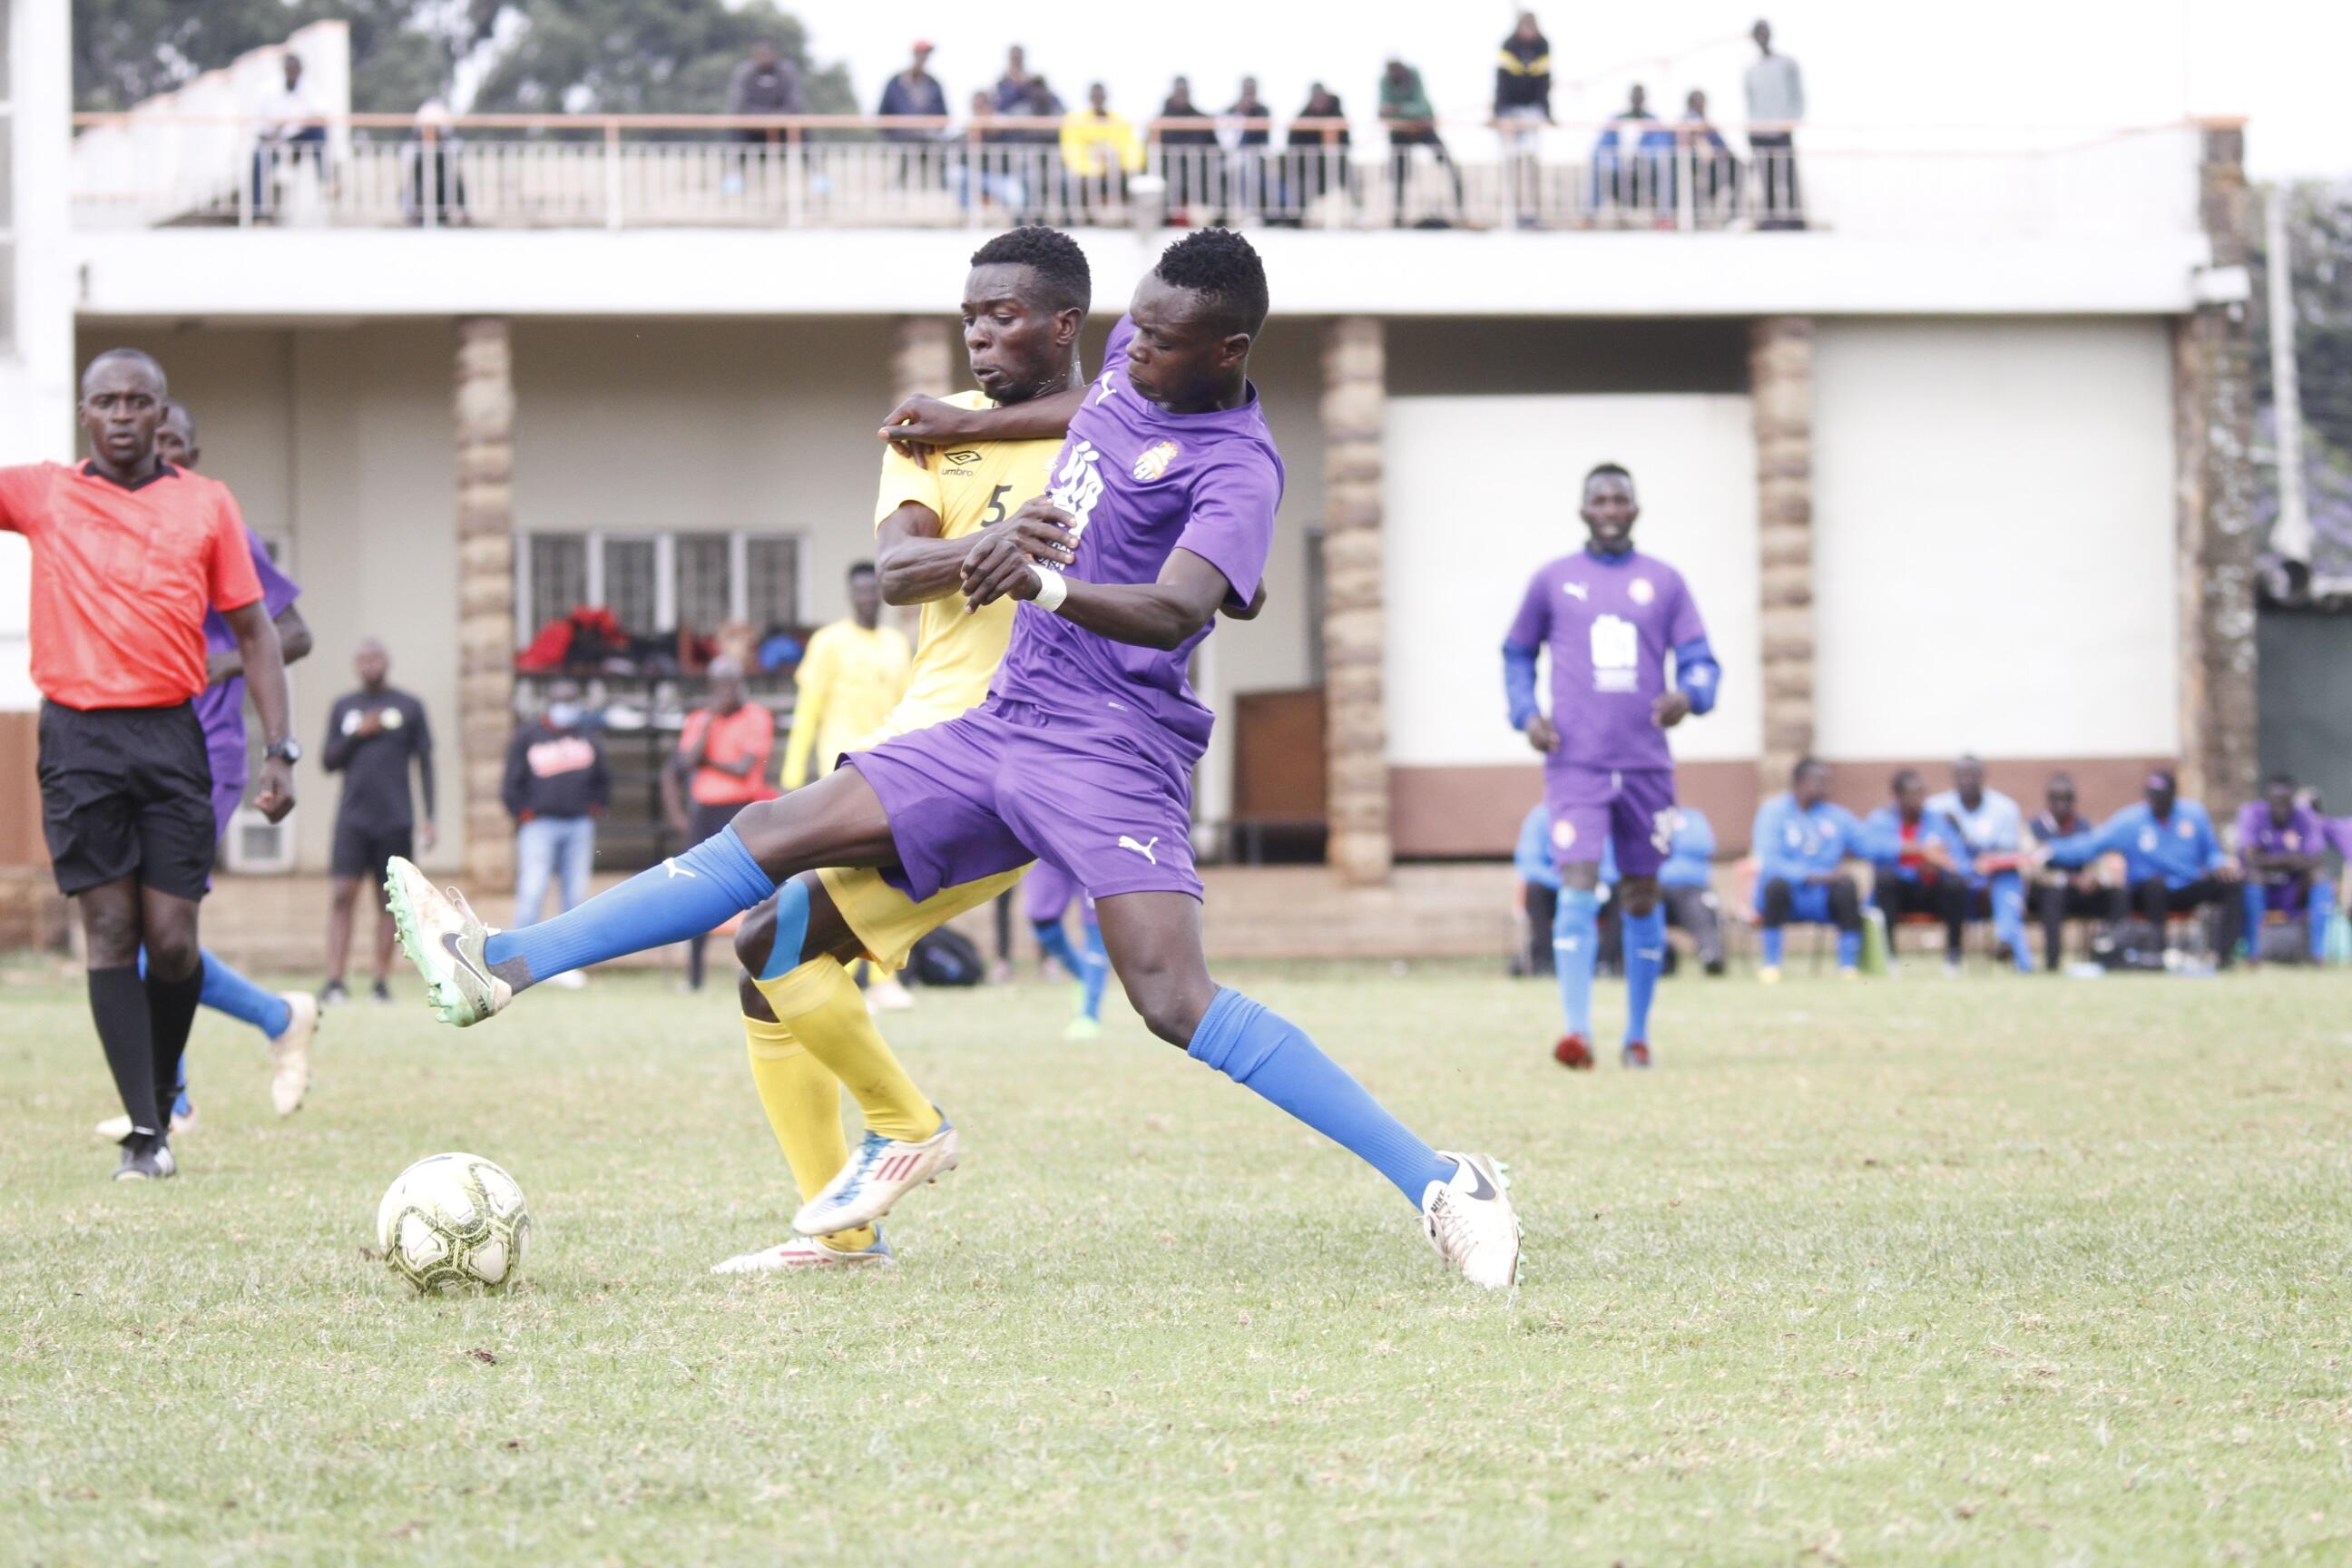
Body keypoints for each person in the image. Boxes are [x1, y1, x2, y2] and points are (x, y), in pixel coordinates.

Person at [385, 229, 1524, 1289]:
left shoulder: (1240, 469)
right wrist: (961, 422)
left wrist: (1044, 581)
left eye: (1161, 343)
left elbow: (1181, 611)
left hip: (1113, 750)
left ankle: (1442, 1181)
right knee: (778, 843)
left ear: (1228, 351)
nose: (1134, 353)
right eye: (1132, 330)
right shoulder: (1142, 357)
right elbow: (1090, 404)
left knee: (1172, 999)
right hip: (1007, 718)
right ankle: (507, 962)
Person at [2, 349, 297, 1180]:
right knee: (111, 929)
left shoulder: (205, 505)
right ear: (85, 415)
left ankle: (162, 1096)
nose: (124, 414)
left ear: (162, 415)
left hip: (172, 738)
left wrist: (282, 751)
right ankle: (147, 1131)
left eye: (139, 401)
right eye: (107, 401)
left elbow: (259, 633)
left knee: (171, 940)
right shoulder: (44, 491)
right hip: (78, 740)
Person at [93, 400, 318, 1141]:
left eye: (174, 445)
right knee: (131, 928)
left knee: (160, 928)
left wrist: (214, 666)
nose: (161, 455)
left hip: (206, 752)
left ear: (190, 451)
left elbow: (293, 633)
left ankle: (175, 1099)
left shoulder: (217, 523)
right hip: (123, 748)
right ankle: (273, 1021)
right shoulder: (117, 526)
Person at [1504, 462, 1720, 1070]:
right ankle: (1577, 1032)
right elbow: (1517, 652)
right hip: (1576, 763)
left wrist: (1691, 695)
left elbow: (1701, 660)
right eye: (1598, 499)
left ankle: (1637, 1035)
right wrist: (1527, 713)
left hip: (1646, 765)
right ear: (1583, 511)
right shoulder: (1553, 581)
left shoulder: (1665, 583)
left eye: (1619, 499)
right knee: (1576, 882)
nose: (1609, 509)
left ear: (1634, 508)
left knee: (1642, 893)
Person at [320, 641, 434, 1004]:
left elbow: (426, 763)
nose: (371, 665)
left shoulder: (409, 706)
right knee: (342, 895)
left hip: (395, 819)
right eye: (364, 659)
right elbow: (328, 760)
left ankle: (380, 981)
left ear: (387, 662)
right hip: (352, 819)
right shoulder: (344, 707)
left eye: (376, 658)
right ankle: (335, 981)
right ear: (356, 665)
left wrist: (430, 817)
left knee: (389, 901)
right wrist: (358, 733)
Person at [2041, 770, 2241, 965]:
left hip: (2187, 886)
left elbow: (2212, 853)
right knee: (2155, 885)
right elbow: (2091, 845)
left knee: (2231, 884)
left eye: (2162, 796)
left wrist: (2221, 865)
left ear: (2173, 795)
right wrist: (2050, 851)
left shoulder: (2194, 815)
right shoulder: (2131, 821)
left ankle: (2225, 957)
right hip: (2147, 894)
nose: (2156, 801)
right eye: (2152, 795)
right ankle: (2156, 954)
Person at [665, 657, 777, 992]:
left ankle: (763, 972)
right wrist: (710, 724)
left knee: (757, 890)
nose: (724, 691)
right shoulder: (701, 719)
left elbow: (743, 768)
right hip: (705, 811)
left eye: (730, 683)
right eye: (717, 685)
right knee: (698, 890)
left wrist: (707, 761)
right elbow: (684, 763)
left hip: (743, 809)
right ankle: (695, 977)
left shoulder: (757, 716)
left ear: (740, 683)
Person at [502, 681, 608, 990]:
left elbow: (603, 779)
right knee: (532, 892)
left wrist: (596, 808)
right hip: (539, 826)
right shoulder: (527, 737)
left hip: (578, 825)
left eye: (571, 699)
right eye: (561, 699)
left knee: (574, 897)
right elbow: (511, 782)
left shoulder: (587, 737)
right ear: (549, 701)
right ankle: (516, 963)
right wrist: (522, 813)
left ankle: (565, 965)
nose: (566, 706)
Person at [780, 564, 911, 793]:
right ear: (850, 595)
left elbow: (909, 707)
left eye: (873, 590)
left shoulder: (896, 644)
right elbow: (807, 712)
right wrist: (792, 775)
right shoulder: (827, 642)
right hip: (841, 760)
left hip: (886, 760)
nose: (868, 598)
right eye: (861, 591)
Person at [1752, 758, 1865, 981]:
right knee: (1774, 884)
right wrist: (1811, 876)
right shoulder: (1773, 812)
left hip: (1823, 898)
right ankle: (1771, 965)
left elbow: (1867, 844)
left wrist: (1913, 848)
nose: (1826, 787)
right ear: (1799, 782)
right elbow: (1770, 860)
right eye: (1820, 781)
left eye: (1828, 781)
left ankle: (1847, 966)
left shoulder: (1837, 816)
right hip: (1789, 895)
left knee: (1847, 885)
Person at [1927, 755, 2034, 973]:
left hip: (1991, 877)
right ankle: (1955, 957)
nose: (1967, 780)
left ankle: (2005, 942)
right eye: (1961, 775)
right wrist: (1964, 866)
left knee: (2009, 878)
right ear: (1953, 778)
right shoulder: (1936, 807)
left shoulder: (2005, 808)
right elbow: (1934, 850)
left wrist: (1983, 860)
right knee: (1953, 884)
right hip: (1952, 877)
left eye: (1972, 774)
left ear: (1983, 777)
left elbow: (2007, 851)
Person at [1860, 769, 1973, 973]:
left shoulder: (1939, 820)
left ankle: (1953, 958)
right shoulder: (1880, 819)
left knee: (1956, 883)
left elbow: (1957, 859)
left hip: (1931, 888)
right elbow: (1870, 848)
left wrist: (1936, 862)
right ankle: (1890, 958)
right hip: (1898, 893)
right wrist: (1919, 849)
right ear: (1898, 796)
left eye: (1922, 793)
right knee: (1885, 878)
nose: (1919, 800)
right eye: (1913, 794)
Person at [2025, 772, 2122, 972]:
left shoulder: (2086, 827)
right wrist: (2066, 879)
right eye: (2056, 799)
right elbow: (2030, 868)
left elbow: (2101, 860)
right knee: (2053, 897)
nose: (2062, 804)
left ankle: (2116, 955)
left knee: (2118, 895)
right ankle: (2053, 963)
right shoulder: (2034, 829)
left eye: (2067, 799)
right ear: (2048, 801)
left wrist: (2094, 877)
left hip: (2082, 890)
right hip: (2048, 890)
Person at [2236, 773, 2328, 964]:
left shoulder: (2304, 816)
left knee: (2320, 878)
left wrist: (2269, 859)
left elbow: (2316, 857)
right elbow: (2250, 858)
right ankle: (2252, 954)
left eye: (2285, 800)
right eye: (2275, 800)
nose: (2280, 806)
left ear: (2292, 799)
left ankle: (2318, 954)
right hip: (2263, 885)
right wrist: (2289, 859)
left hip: (2294, 888)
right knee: (2252, 878)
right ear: (2266, 798)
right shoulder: (2252, 813)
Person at [1026, 862, 1112, 1039]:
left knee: (1097, 926)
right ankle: (1084, 974)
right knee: (1041, 920)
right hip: (1047, 845)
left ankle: (1089, 1015)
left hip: (1091, 846)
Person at [1378, 58, 1461, 227]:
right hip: (1400, 133)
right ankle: (1397, 217)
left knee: (1448, 165)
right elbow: (1382, 110)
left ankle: (1461, 210)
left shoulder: (1413, 76)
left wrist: (1399, 110)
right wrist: (1402, 113)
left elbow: (1421, 106)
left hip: (1424, 128)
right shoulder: (1385, 81)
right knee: (1398, 174)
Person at [1743, 18, 1806, 228]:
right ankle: (1769, 218)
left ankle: (1795, 218)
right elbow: (1750, 101)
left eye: (1764, 32)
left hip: (1781, 128)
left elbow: (1797, 95)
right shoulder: (1751, 70)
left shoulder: (1787, 63)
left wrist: (1792, 120)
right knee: (1766, 175)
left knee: (1787, 173)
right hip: (1759, 130)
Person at [1494, 12, 1553, 226]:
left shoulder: (1542, 45)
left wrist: (1546, 112)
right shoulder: (1508, 45)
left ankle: (1532, 211)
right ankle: (1511, 212)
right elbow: (1501, 82)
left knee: (1530, 157)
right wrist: (1499, 113)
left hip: (1532, 110)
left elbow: (1544, 83)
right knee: (1511, 159)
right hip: (1510, 110)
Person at [252, 52, 327, 220]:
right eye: (290, 71)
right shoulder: (268, 90)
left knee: (319, 130)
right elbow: (262, 128)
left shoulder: (308, 87)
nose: (293, 75)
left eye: (296, 71)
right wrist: (278, 129)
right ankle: (259, 215)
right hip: (273, 141)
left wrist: (300, 122)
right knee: (258, 158)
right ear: (284, 70)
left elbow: (320, 113)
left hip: (297, 139)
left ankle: (326, 181)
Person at [1656, 806, 1726, 975]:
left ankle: (1711, 955)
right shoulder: (1649, 816)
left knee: (1699, 907)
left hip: (1691, 888)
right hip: (1655, 887)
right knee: (1644, 906)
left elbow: (1704, 846)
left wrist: (1671, 840)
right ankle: (1658, 956)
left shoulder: (1693, 818)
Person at [1060, 83, 1142, 223]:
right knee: (1074, 179)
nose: (1098, 99)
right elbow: (1072, 152)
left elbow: (1132, 150)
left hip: (1117, 171)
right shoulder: (1076, 121)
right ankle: (1084, 217)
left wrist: (1113, 160)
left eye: (1101, 96)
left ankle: (1121, 213)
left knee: (1133, 179)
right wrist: (1096, 164)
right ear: (1090, 98)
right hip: (1086, 174)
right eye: (1095, 96)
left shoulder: (1119, 121)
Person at [1278, 83, 1351, 226]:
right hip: (1306, 167)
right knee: (1299, 183)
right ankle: (1294, 218)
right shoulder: (1303, 115)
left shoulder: (1336, 114)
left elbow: (1345, 141)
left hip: (1332, 166)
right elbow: (1293, 142)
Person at [1155, 75, 1220, 223]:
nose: (1181, 95)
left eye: (1184, 92)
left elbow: (1214, 147)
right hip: (1169, 173)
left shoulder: (1202, 119)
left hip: (1198, 175)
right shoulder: (1160, 121)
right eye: (1178, 92)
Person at [1512, 801, 1561, 979]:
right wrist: (1563, 882)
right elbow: (1529, 864)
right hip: (1554, 891)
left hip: (1592, 889)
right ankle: (1546, 962)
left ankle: (1606, 963)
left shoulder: (1597, 814)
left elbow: (1611, 863)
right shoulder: (1541, 817)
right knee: (1534, 890)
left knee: (1619, 891)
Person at [727, 37, 805, 139]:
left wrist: (776, 118)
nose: (764, 57)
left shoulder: (787, 72)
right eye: (761, 53)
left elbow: (795, 103)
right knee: (736, 129)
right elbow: (737, 104)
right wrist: (758, 118)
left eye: (767, 53)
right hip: (751, 126)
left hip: (782, 124)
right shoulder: (744, 73)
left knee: (800, 128)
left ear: (775, 53)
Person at [1220, 77, 1275, 220]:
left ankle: (1252, 212)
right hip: (1235, 155)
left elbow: (1264, 136)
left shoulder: (1263, 110)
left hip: (1257, 155)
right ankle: (1231, 212)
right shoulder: (1232, 109)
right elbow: (1225, 134)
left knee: (1253, 174)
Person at [1681, 90, 1739, 221]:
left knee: (1737, 167)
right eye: (1698, 103)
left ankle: (1734, 212)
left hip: (1715, 165)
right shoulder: (1687, 122)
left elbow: (1721, 144)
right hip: (1697, 165)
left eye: (1703, 103)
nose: (1702, 106)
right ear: (1690, 104)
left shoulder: (1707, 124)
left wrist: (1723, 152)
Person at [992, 44, 1034, 113]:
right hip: (1008, 119)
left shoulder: (1032, 81)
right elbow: (998, 105)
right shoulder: (1001, 82)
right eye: (1014, 58)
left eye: (1018, 58)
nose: (1017, 62)